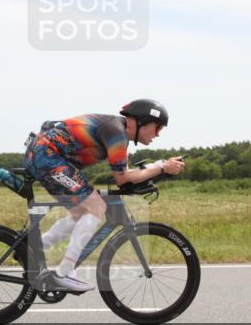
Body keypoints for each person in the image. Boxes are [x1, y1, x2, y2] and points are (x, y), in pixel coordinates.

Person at [23, 99, 185, 292]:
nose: (157, 134)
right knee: (96, 207)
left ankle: (34, 248)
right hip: (47, 157)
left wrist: (160, 166)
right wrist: (161, 167)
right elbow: (123, 179)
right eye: (156, 127)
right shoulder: (117, 133)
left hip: (45, 155)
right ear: (140, 121)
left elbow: (125, 174)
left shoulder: (117, 131)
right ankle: (64, 273)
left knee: (81, 212)